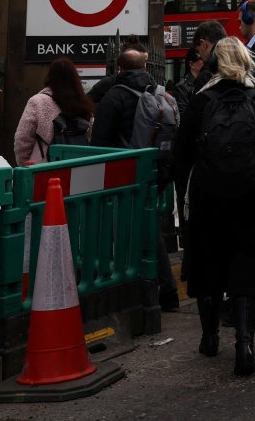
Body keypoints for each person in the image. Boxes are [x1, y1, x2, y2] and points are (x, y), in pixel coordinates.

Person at [174, 36, 255, 377]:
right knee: (248, 263)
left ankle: (209, 337)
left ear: (215, 63)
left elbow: (182, 152)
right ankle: (245, 342)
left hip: (209, 191)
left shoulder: (201, 99)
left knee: (209, 261)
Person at [92, 49, 181, 312]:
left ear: (119, 69)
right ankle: (167, 293)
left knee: (127, 232)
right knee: (149, 229)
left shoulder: (115, 96)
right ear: (144, 66)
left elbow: (100, 142)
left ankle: (136, 295)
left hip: (125, 174)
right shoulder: (159, 93)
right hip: (155, 172)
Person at [14, 58, 95, 165]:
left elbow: (23, 139)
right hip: (77, 167)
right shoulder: (84, 105)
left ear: (49, 76)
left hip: (44, 168)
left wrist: (24, 162)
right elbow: (89, 138)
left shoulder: (37, 102)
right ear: (75, 78)